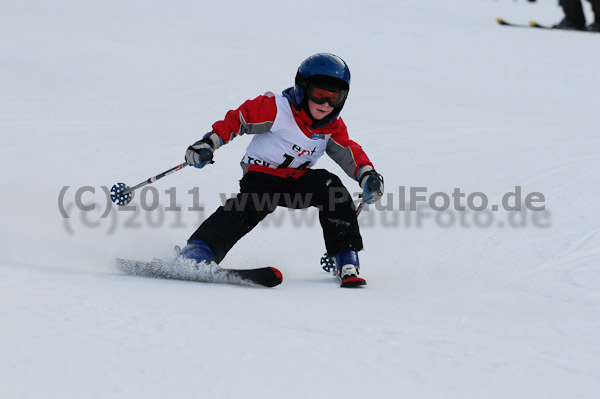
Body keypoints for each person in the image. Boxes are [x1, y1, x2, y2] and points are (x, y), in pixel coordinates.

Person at [179, 53, 384, 287]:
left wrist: (367, 174)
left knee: (331, 188)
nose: (326, 104)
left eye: (334, 98)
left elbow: (348, 150)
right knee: (254, 204)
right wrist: (209, 143)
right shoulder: (276, 108)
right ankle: (198, 250)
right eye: (319, 95)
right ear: (303, 88)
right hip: (262, 176)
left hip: (297, 181)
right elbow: (238, 119)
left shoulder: (331, 126)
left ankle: (346, 259)